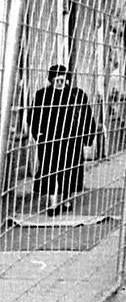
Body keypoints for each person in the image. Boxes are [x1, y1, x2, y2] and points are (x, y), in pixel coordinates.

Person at [29, 65, 97, 215]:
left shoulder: (76, 95)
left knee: (70, 170)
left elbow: (87, 115)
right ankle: (53, 204)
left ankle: (67, 200)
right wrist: (38, 134)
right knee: (50, 170)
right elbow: (33, 116)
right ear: (51, 79)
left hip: (71, 139)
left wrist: (87, 137)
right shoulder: (42, 95)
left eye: (62, 77)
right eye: (56, 78)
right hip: (49, 140)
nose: (60, 81)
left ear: (67, 78)